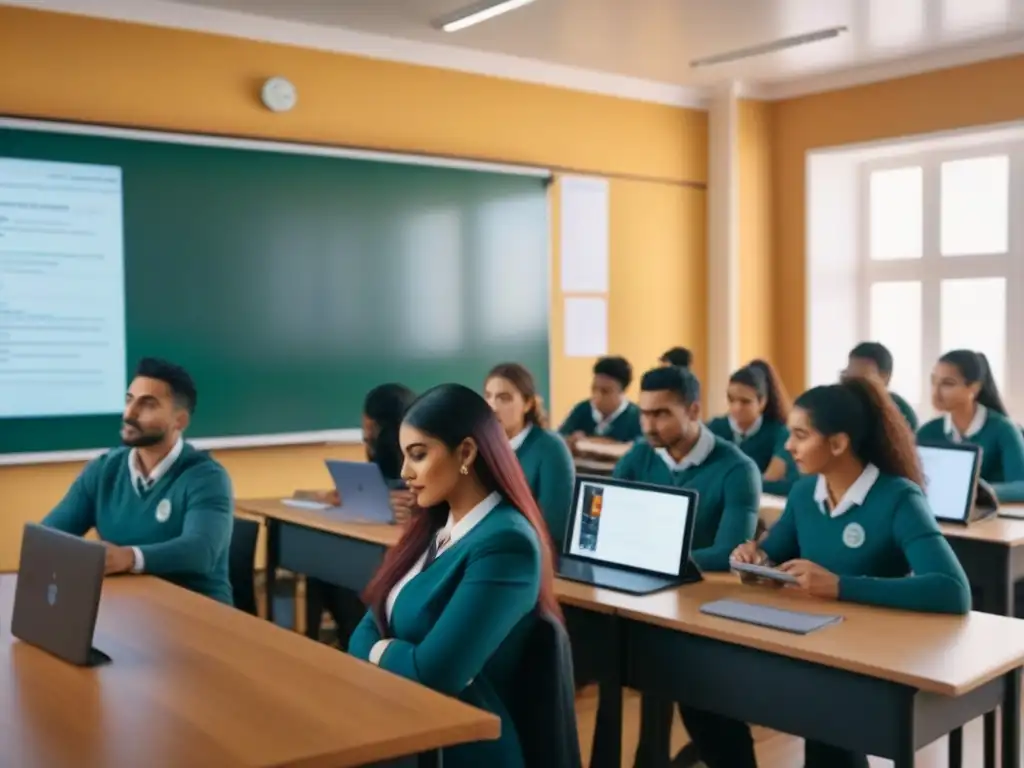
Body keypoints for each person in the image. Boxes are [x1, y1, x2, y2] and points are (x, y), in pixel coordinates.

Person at [689, 376, 971, 768]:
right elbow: (771, 552)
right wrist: (754, 559)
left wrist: (840, 586)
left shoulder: (899, 497)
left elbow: (952, 590)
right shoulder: (806, 493)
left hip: (865, 660)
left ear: (838, 443)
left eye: (800, 436)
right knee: (701, 690)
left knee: (827, 733)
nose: (788, 447)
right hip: (807, 643)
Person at [348, 384, 563, 768]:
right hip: (402, 722)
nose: (404, 472)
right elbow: (365, 626)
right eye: (403, 456)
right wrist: (401, 654)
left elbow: (436, 675)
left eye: (418, 455)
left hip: (459, 749)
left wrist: (380, 649)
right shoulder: (434, 525)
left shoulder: (507, 545)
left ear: (465, 452)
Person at [42, 358, 234, 604]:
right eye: (129, 400)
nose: (130, 413)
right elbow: (48, 536)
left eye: (148, 405)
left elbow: (201, 551)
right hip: (129, 607)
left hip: (198, 612)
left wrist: (129, 557)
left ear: (180, 421)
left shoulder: (206, 477)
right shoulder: (104, 470)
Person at [613, 365, 760, 572]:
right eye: (644, 414)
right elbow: (610, 529)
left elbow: (730, 553)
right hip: (637, 578)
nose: (648, 426)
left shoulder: (739, 471)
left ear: (693, 411)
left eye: (661, 414)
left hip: (699, 589)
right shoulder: (637, 456)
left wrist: (652, 561)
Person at [306, 383, 417, 649]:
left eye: (369, 424)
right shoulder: (379, 446)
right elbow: (381, 483)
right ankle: (340, 641)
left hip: (407, 544)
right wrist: (351, 495)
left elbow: (420, 492)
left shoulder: (419, 445)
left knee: (347, 574)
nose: (365, 430)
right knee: (320, 562)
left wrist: (414, 504)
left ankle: (357, 641)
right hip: (378, 533)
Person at [484, 363, 575, 548]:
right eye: (488, 396)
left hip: (527, 553)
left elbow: (555, 527)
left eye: (504, 398)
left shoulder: (550, 448)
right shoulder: (481, 446)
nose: (492, 406)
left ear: (527, 404)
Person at [917, 350, 1024, 503]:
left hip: (992, 522)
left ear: (974, 388)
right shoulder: (927, 432)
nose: (935, 392)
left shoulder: (1004, 429)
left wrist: (973, 491)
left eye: (948, 384)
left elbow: (1021, 486)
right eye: (933, 381)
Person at [705, 360, 797, 495]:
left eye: (745, 401)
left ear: (762, 402)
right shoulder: (714, 428)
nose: (736, 408)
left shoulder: (779, 432)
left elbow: (773, 479)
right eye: (731, 400)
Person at [558, 355, 642, 452]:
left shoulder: (637, 417)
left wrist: (589, 441)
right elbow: (560, 439)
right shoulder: (582, 409)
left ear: (622, 391)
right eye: (594, 389)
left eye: (605, 391)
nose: (597, 397)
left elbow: (639, 448)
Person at [844, 341, 918, 430]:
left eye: (863, 379)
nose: (853, 386)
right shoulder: (841, 406)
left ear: (885, 378)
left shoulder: (902, 414)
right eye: (849, 377)